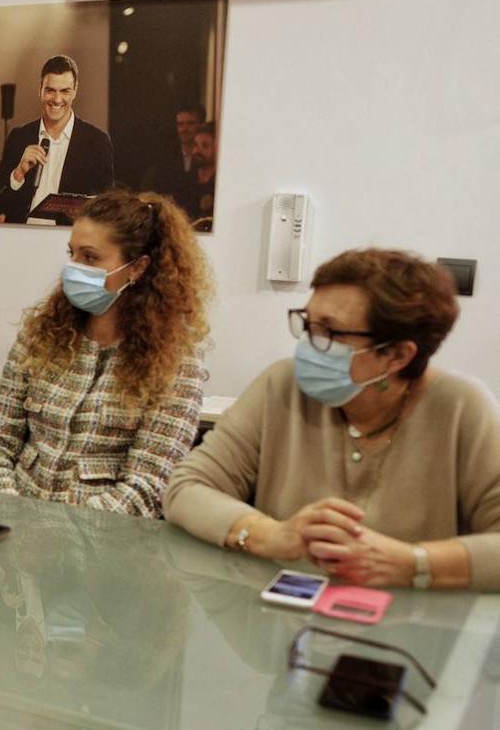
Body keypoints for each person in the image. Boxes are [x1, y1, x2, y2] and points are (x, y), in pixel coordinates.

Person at [164, 249, 500, 590]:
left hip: (411, 630)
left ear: (397, 355)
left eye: (330, 332)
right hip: (281, 622)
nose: (308, 345)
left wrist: (413, 563)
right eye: (309, 324)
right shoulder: (282, 385)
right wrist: (271, 535)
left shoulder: (461, 407)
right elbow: (185, 489)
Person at [0, 191, 211, 515]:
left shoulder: (176, 361)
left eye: (91, 257)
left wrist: (51, 535)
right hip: (16, 536)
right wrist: (15, 516)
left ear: (137, 268)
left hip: (105, 551)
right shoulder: (42, 334)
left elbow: (147, 490)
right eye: (72, 254)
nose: (73, 268)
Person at [0, 55, 115, 224]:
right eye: (50, 90)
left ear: (75, 90)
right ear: (40, 89)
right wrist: (18, 173)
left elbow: (106, 208)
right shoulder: (19, 137)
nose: (57, 100)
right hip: (20, 239)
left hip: (68, 243)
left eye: (65, 91)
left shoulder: (96, 141)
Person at [139, 104, 204, 208]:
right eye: (180, 124)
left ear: (201, 125)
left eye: (190, 123)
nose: (185, 129)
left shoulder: (206, 159)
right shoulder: (165, 161)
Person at [182, 122, 217, 225]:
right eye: (195, 145)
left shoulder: (220, 184)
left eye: (205, 146)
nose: (197, 150)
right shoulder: (185, 181)